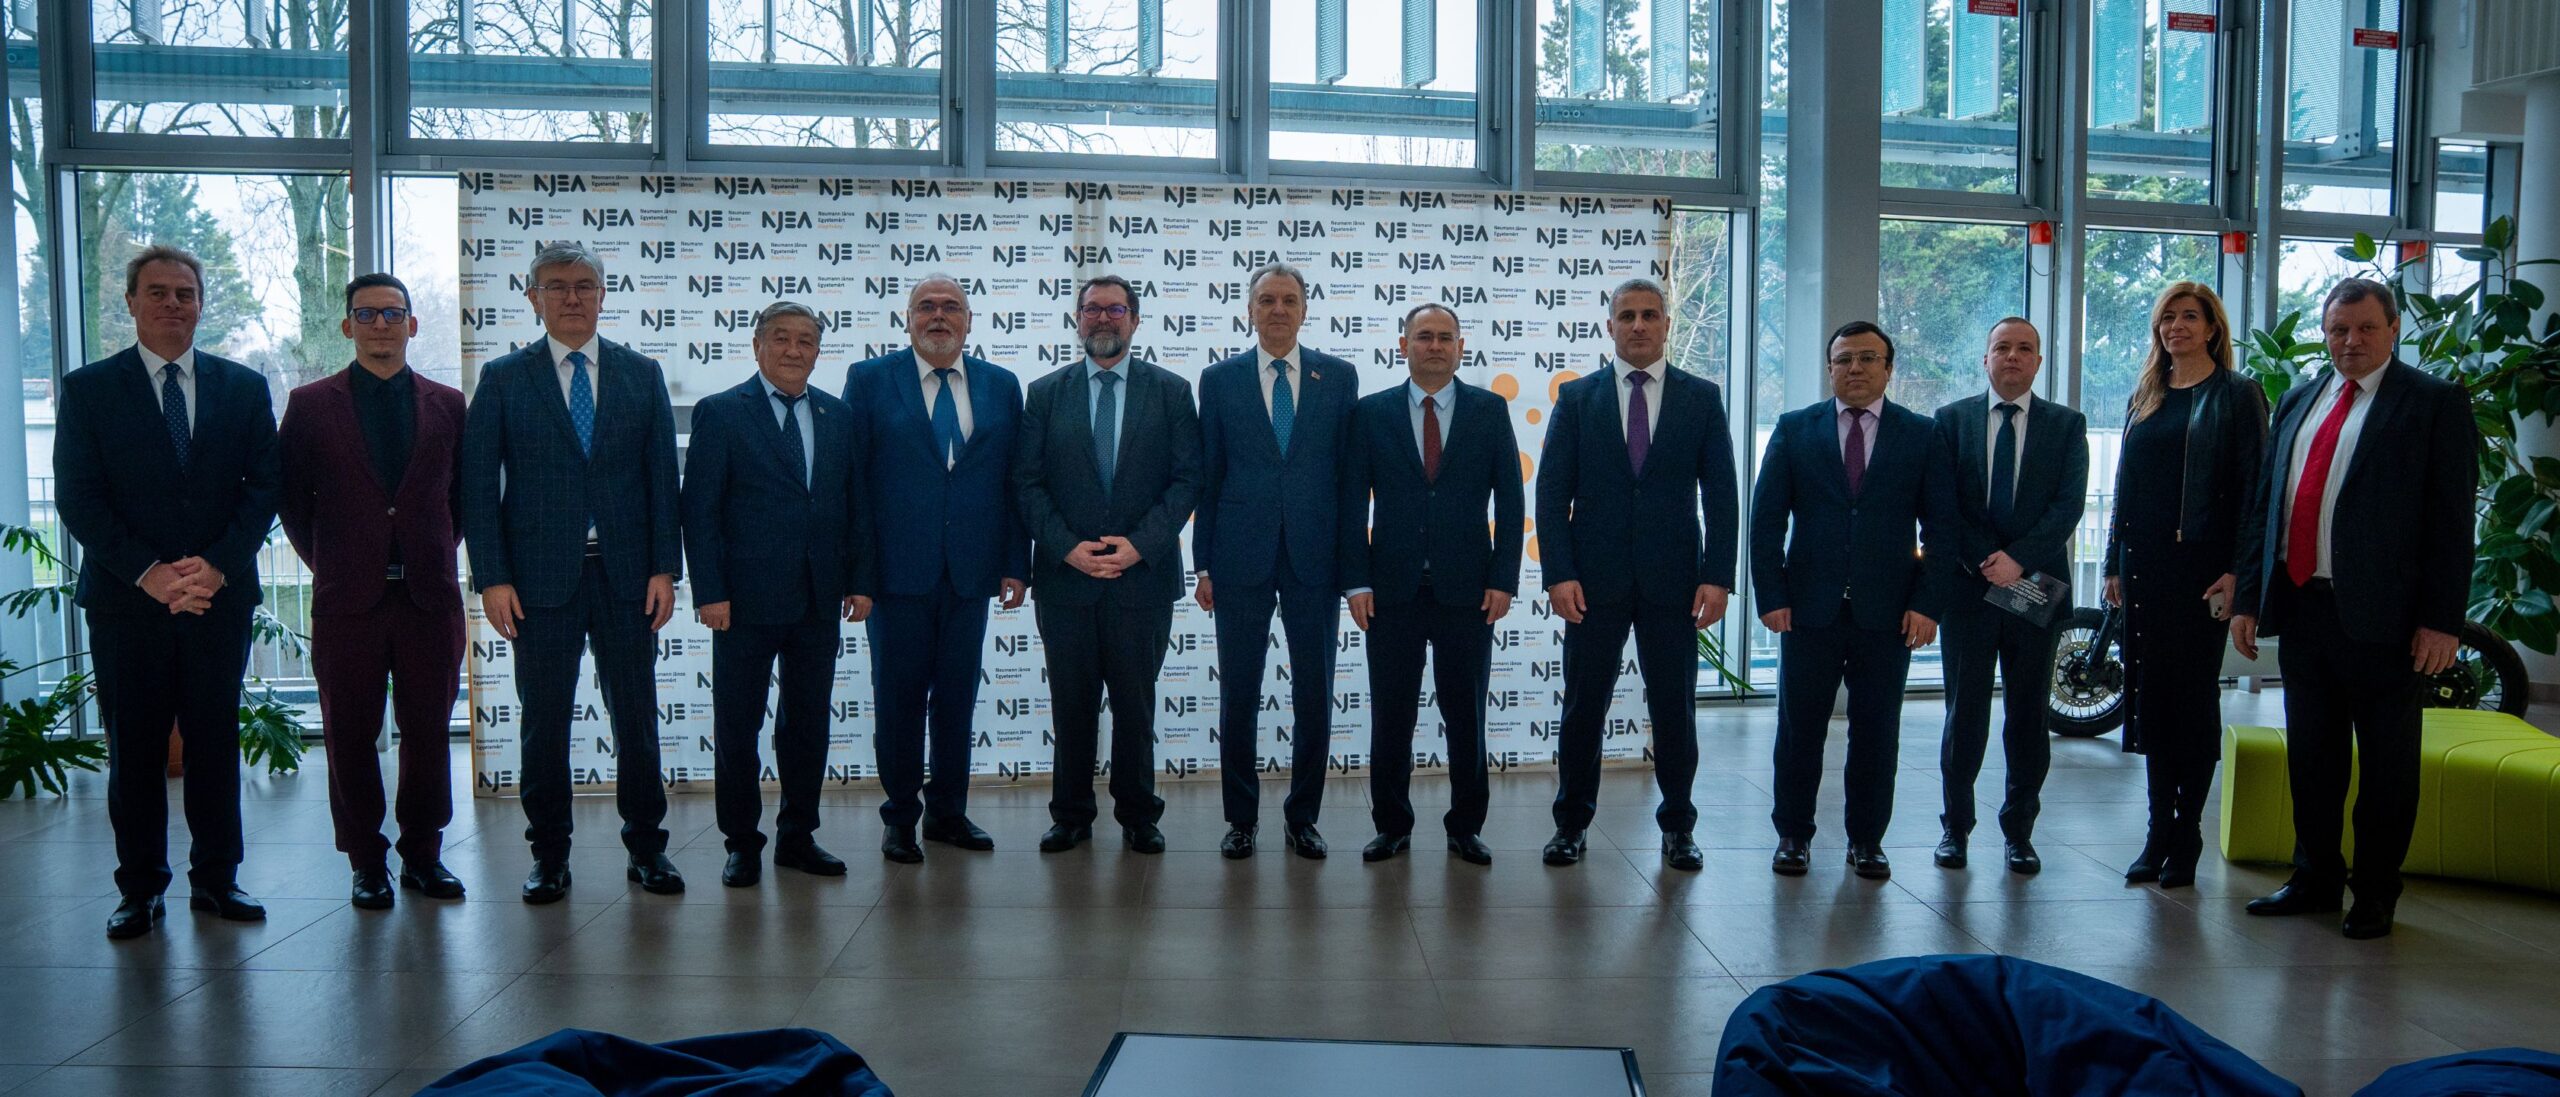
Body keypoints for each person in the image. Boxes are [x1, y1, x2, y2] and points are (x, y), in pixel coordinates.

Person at [2233, 278, 2475, 939]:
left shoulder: (2433, 403)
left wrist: (2442, 620)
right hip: (2303, 607)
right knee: (2312, 758)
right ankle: (2314, 877)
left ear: (2394, 329)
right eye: (2339, 329)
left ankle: (2374, 891)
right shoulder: (2299, 398)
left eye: (2366, 328)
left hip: (2388, 621)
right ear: (2325, 332)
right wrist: (2250, 599)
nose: (2351, 341)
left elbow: (2452, 523)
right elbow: (2267, 507)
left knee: (2388, 766)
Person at [56, 245, 280, 939]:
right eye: (157, 292)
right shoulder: (89, 390)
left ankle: (217, 879)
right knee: (135, 748)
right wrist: (149, 572)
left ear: (200, 304)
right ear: (131, 302)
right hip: (128, 603)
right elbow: (79, 497)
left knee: (214, 742)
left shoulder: (244, 387)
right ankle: (140, 889)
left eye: (185, 293)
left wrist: (216, 567)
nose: (172, 304)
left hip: (217, 598)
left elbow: (264, 488)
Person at [461, 241, 686, 903]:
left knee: (637, 721)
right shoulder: (504, 378)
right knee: (544, 723)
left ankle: (647, 847)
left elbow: (662, 481)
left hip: (627, 579)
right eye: (556, 286)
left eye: (584, 285)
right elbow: (478, 487)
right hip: (537, 584)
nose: (571, 297)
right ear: (533, 297)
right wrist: (492, 577)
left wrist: (664, 569)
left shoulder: (641, 374)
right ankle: (549, 856)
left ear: (602, 294)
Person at [276, 273, 469, 910]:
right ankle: (365, 861)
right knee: (349, 733)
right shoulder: (310, 405)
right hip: (347, 602)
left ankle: (423, 854)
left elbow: (460, 499)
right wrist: (332, 561)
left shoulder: (448, 404)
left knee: (428, 732)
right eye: (366, 314)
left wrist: (426, 552)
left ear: (412, 324)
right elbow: (291, 501)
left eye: (392, 314)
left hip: (428, 599)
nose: (380, 324)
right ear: (347, 325)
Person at [1534, 277, 1739, 872]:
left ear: (1667, 324)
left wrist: (1718, 576)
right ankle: (1571, 824)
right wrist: (1558, 574)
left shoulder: (1702, 398)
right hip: (1591, 584)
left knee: (1674, 709)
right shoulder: (1577, 399)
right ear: (1610, 327)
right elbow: (1552, 494)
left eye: (1650, 315)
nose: (1639, 325)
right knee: (1583, 708)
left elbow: (1721, 495)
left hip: (1675, 584)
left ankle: (1678, 827)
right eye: (1627, 316)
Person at [1752, 320, 1956, 881]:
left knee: (1877, 732)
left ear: (1889, 369)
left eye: (1868, 358)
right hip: (1807, 610)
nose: (1856, 368)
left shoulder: (1922, 434)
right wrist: (1771, 594)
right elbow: (1766, 520)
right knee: (1799, 730)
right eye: (1844, 359)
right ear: (1830, 369)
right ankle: (1793, 835)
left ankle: (1866, 840)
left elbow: (1942, 530)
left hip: (1888, 614)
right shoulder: (1795, 429)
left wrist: (1927, 604)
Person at [683, 301, 871, 887]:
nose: (794, 350)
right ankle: (741, 842)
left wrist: (860, 581)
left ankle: (798, 836)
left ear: (818, 351)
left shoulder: (839, 415)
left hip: (818, 597)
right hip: (741, 601)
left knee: (807, 724)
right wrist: (710, 590)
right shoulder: (721, 413)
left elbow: (855, 506)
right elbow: (700, 511)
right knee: (738, 727)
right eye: (782, 338)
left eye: (806, 341)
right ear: (757, 345)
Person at [1014, 275, 1202, 855]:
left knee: (1134, 706)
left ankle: (1139, 814)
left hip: (1141, 579)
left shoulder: (1171, 392)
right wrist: (1067, 548)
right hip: (1065, 580)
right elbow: (1027, 482)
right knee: (1071, 706)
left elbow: (1186, 480)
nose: (1103, 318)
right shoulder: (1045, 394)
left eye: (1115, 310)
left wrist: (1139, 545)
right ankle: (1070, 814)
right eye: (1092, 309)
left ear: (1134, 320)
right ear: (1077, 319)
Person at [844, 275, 1028, 864]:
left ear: (969, 321)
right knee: (898, 702)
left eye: (951, 307)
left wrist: (1015, 563)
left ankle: (948, 813)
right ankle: (900, 818)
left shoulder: (1001, 385)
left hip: (971, 574)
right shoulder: (869, 380)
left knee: (956, 701)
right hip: (896, 577)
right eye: (926, 306)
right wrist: (859, 575)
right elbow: (854, 485)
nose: (939, 316)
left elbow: (1014, 482)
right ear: (908, 319)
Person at [1340, 303, 1523, 865]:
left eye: (1446, 337)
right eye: (1424, 337)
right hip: (1390, 592)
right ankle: (1392, 825)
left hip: (1468, 592)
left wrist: (1504, 579)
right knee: (1391, 715)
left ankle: (1465, 827)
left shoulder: (1489, 410)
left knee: (1466, 716)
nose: (1435, 346)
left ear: (1461, 347)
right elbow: (1352, 504)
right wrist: (1356, 582)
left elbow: (1511, 501)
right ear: (1404, 346)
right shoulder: (1371, 413)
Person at [2100, 281, 2266, 890]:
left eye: (2189, 316)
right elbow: (2125, 485)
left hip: (2202, 574)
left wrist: (2239, 569)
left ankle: (2187, 835)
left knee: (2191, 704)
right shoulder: (2146, 392)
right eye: (2167, 317)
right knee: (2151, 702)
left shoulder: (2237, 394)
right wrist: (2113, 562)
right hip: (2144, 570)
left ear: (2212, 327)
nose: (2177, 326)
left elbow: (2255, 491)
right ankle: (2157, 833)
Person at [1194, 264, 1357, 860]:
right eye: (1267, 300)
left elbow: (1348, 479)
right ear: (1250, 311)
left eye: (1289, 300)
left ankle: (1303, 817)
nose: (1279, 310)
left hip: (1316, 558)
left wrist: (1352, 567)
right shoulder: (1219, 380)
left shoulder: (1338, 377)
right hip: (1239, 558)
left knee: (1314, 692)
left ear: (1305, 310)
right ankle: (1241, 820)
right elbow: (1209, 476)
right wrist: (1203, 563)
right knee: (1239, 692)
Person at [1929, 318, 2088, 875]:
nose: (2013, 356)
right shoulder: (1951, 421)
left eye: (2024, 348)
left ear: (2039, 361)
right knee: (1964, 714)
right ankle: (1955, 829)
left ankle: (2019, 832)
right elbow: (1943, 504)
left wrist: (2017, 559)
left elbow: (2068, 505)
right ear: (1986, 358)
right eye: (2002, 347)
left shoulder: (2066, 425)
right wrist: (1985, 559)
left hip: (2036, 589)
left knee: (2028, 715)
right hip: (1969, 591)